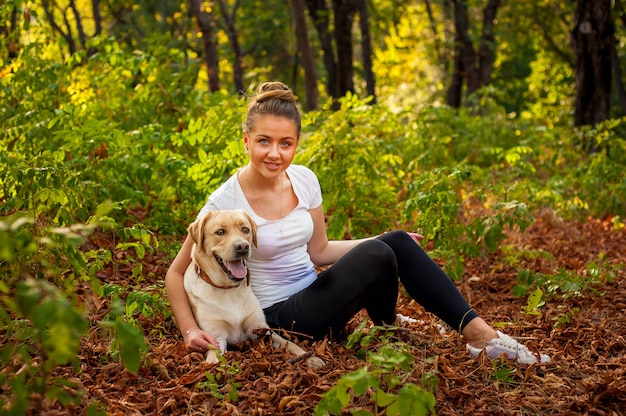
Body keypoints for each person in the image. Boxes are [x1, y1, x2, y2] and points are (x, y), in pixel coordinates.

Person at [165, 81, 551, 365]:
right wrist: (189, 330)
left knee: (394, 241)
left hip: (319, 292)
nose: (275, 153)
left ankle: (471, 333)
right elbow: (175, 273)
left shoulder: (304, 179)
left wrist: (387, 239)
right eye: (264, 141)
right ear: (245, 140)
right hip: (278, 316)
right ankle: (477, 338)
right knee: (380, 251)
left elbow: (319, 251)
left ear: (297, 143)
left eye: (286, 143)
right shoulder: (224, 203)